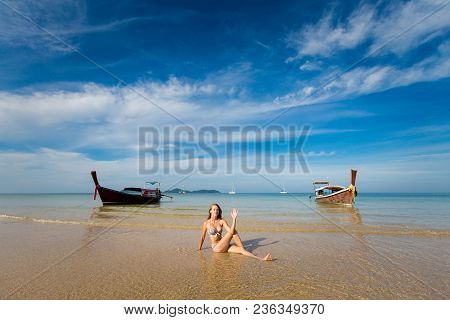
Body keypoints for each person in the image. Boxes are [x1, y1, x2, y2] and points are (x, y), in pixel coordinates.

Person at [198, 203, 272, 261]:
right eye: (214, 209)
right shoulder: (206, 223)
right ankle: (242, 246)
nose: (216, 211)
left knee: (241, 250)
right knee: (233, 231)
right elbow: (202, 237)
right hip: (216, 248)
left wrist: (234, 219)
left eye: (217, 210)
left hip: (224, 245)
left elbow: (231, 231)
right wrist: (199, 249)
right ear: (210, 211)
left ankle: (262, 259)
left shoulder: (222, 221)